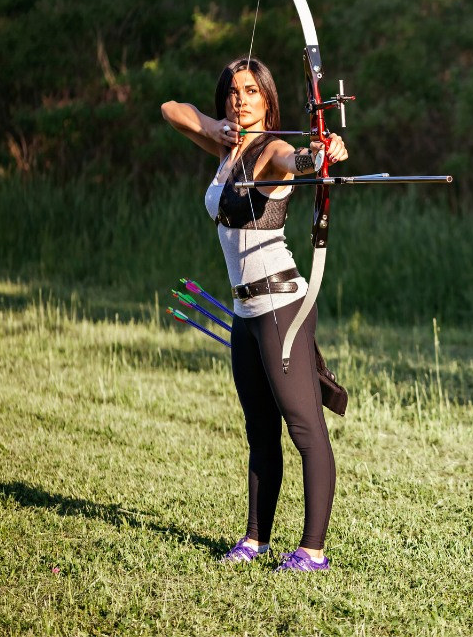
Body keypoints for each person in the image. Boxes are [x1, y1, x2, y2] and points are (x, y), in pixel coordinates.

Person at [161, 56, 347, 572]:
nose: (239, 100)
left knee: (305, 427)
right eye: (232, 93)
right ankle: (255, 539)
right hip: (246, 311)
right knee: (258, 430)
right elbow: (171, 110)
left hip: (281, 305)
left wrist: (323, 153)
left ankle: (312, 550)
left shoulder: (271, 150)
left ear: (268, 99)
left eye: (249, 91)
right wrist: (219, 127)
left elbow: (299, 161)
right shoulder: (227, 147)